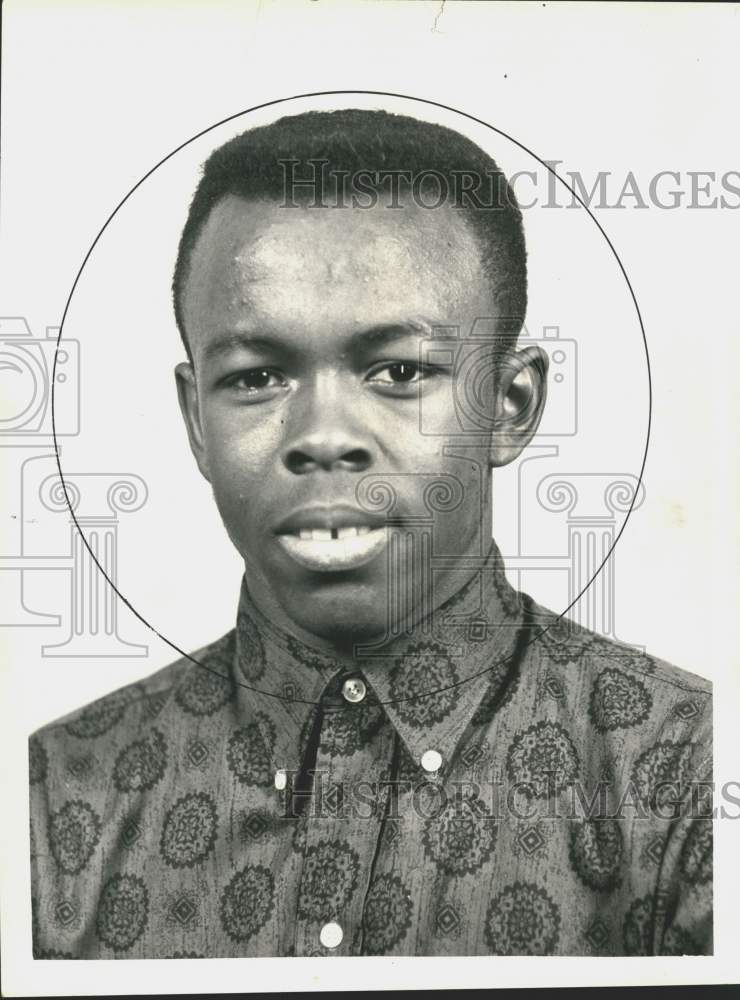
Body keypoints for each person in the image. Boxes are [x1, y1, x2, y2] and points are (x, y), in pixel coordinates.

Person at [28, 108, 712, 959]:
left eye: (399, 372)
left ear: (511, 404)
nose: (322, 434)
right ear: (196, 421)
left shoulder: (689, 778)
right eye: (258, 376)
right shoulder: (53, 801)